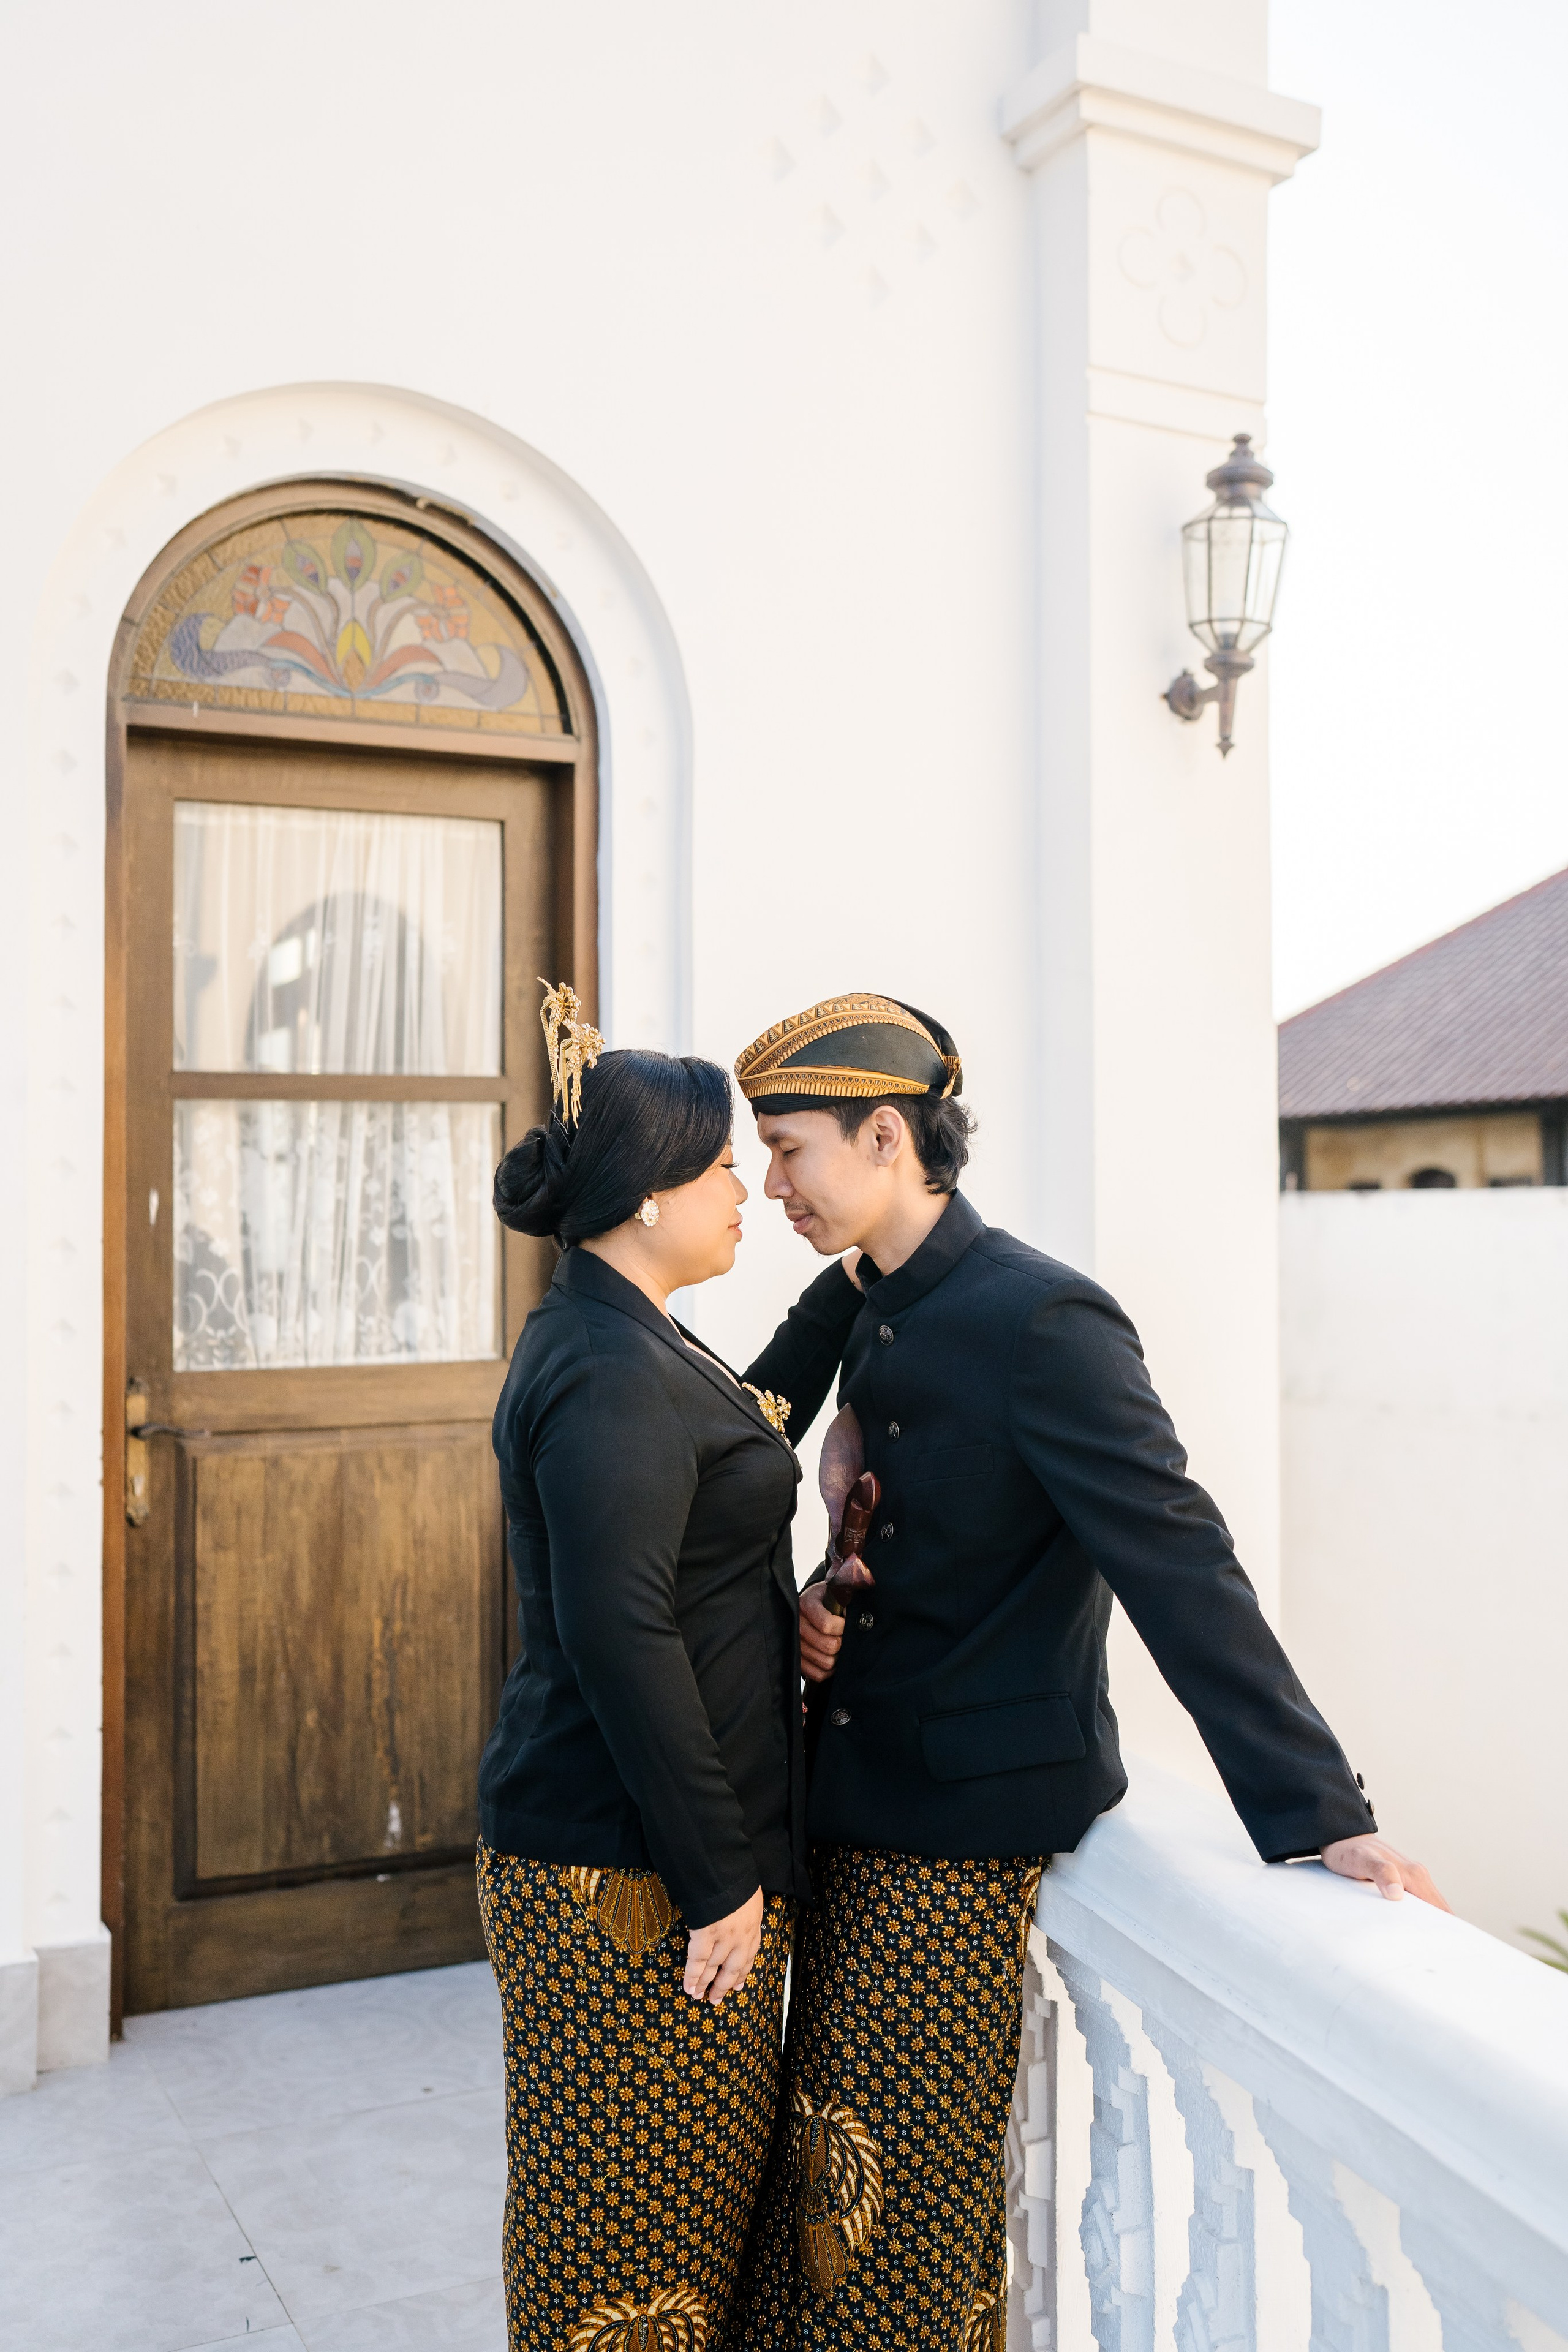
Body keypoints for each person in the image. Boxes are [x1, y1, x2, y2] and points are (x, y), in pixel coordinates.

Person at [723, 991, 1447, 2352]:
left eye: (788, 1149)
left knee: (893, 2220)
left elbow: (1178, 1560)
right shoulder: (864, 1302)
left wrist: (1319, 1810)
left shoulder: (1039, 1318)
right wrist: (819, 1595)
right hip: (851, 1802)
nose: (769, 1187)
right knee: (825, 2185)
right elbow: (784, 1471)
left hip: (959, 1827)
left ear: (885, 1136)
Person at [478, 983, 861, 2352]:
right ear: (645, 1195)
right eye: (717, 1170)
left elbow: (748, 1423)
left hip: (648, 1858)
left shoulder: (628, 1330)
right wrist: (718, 1879)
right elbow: (619, 1630)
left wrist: (853, 1277)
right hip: (623, 1874)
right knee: (625, 2240)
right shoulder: (602, 1364)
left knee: (679, 2224)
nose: (747, 1189)